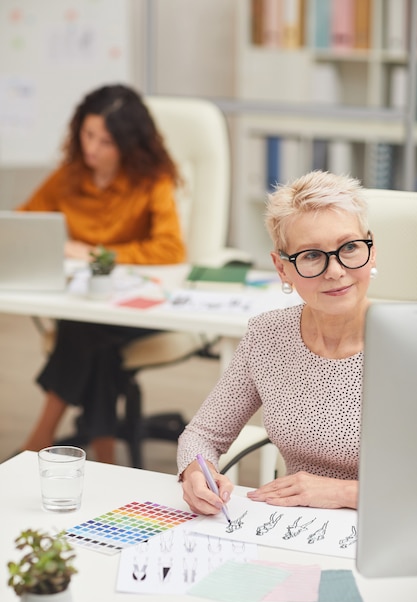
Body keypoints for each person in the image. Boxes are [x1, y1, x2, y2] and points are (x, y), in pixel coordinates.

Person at [177, 169, 377, 514]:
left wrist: (343, 493)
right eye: (312, 255)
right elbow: (202, 436)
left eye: (350, 247)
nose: (335, 270)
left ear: (371, 250)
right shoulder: (268, 335)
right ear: (282, 268)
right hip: (291, 528)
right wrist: (197, 471)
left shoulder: (407, 343)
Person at [18, 84, 185, 463]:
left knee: (83, 327)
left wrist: (98, 255)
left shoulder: (151, 179)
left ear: (128, 144)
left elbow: (171, 248)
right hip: (88, 305)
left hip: (143, 307)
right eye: (87, 134)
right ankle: (107, 459)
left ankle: (39, 440)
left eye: (105, 141)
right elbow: (24, 223)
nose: (91, 148)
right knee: (97, 344)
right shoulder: (70, 176)